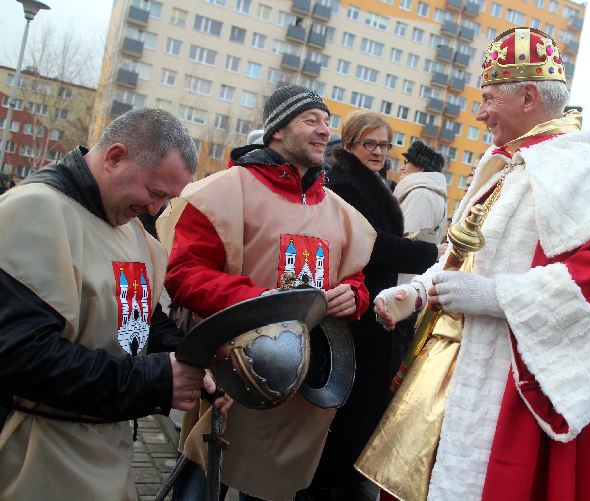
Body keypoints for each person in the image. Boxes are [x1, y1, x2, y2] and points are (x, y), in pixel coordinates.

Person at [374, 27, 590, 500]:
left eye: (487, 99)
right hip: (457, 371)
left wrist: (497, 296)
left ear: (527, 97)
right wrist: (418, 291)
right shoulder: (504, 164)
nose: (479, 113)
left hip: (516, 384)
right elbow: (463, 257)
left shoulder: (588, 168)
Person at [158, 85, 376, 501]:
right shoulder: (222, 194)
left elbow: (355, 280)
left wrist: (353, 296)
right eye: (311, 120)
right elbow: (184, 274)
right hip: (228, 372)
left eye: (326, 123)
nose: (323, 131)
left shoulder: (341, 213)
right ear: (277, 130)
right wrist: (262, 302)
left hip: (301, 388)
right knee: (201, 480)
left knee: (275, 487)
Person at [0, 108, 230, 500]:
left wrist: (195, 365)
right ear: (115, 156)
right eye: (155, 193)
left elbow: (141, 322)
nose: (155, 209)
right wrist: (155, 380)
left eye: (167, 199)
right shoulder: (34, 211)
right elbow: (21, 356)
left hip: (107, 449)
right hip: (39, 455)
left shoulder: (128, 228)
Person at [309, 111, 439, 498]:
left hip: (374, 303)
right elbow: (374, 244)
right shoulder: (346, 183)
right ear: (349, 144)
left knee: (366, 399)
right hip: (355, 308)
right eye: (370, 144)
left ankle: (341, 477)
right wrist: (432, 252)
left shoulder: (369, 181)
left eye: (385, 145)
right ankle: (332, 482)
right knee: (354, 402)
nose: (379, 152)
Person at [394, 140, 447, 284]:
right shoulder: (427, 192)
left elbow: (410, 246)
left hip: (401, 281)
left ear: (421, 167)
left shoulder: (421, 194)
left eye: (406, 162)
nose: (402, 167)